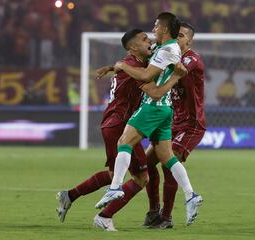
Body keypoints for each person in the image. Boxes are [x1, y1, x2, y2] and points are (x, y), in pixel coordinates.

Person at [56, 29, 185, 231]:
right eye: (144, 39)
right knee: (141, 178)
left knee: (114, 173)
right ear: (133, 47)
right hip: (120, 124)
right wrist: (175, 77)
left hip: (115, 122)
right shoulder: (136, 68)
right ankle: (104, 217)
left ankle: (69, 195)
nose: (150, 40)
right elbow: (155, 92)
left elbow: (127, 65)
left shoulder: (135, 63)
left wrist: (111, 67)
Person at [95, 12, 203, 226]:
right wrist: (112, 67)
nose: (152, 30)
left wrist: (125, 67)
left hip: (153, 107)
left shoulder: (168, 51)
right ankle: (191, 195)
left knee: (124, 143)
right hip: (167, 111)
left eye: (155, 26)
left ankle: (115, 187)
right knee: (168, 159)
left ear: (164, 29)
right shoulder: (166, 49)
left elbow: (146, 77)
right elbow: (154, 61)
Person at [143, 22, 206, 229]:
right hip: (172, 121)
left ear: (190, 40)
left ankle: (166, 217)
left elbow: (177, 69)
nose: (177, 39)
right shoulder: (168, 53)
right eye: (175, 35)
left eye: (181, 36)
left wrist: (156, 54)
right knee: (145, 163)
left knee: (168, 164)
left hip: (191, 125)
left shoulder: (192, 59)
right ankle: (154, 210)